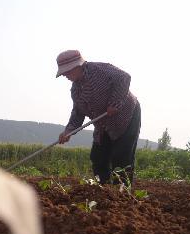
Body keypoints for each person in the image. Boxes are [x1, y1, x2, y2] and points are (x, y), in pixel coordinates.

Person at [55, 50, 141, 186]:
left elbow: (124, 78)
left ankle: (122, 194)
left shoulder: (100, 70)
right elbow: (77, 113)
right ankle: (104, 191)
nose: (65, 75)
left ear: (77, 66)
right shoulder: (76, 90)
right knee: (98, 157)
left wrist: (115, 102)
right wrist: (68, 131)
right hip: (103, 125)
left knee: (121, 156)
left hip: (125, 116)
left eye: (67, 71)